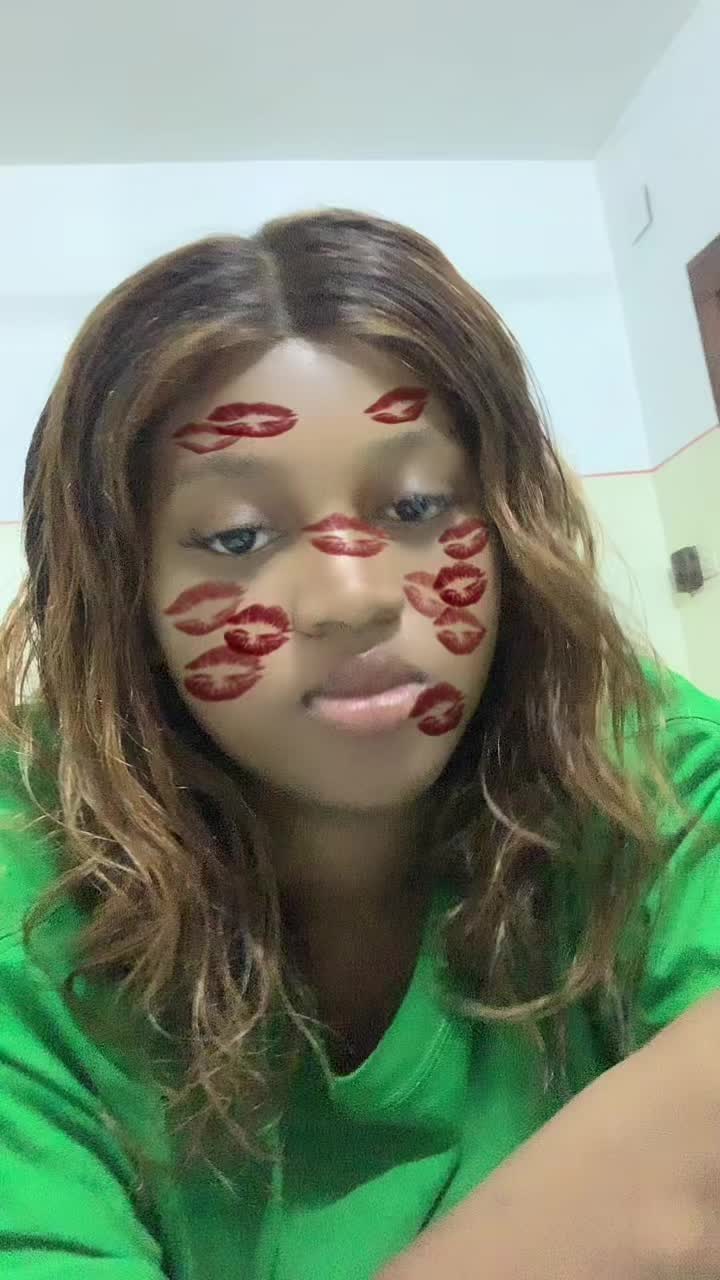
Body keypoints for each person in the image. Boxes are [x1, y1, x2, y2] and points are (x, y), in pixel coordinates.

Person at [1, 208, 720, 1280]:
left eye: (420, 504)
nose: (355, 597)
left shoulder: (640, 764)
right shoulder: (29, 881)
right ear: (125, 590)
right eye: (237, 534)